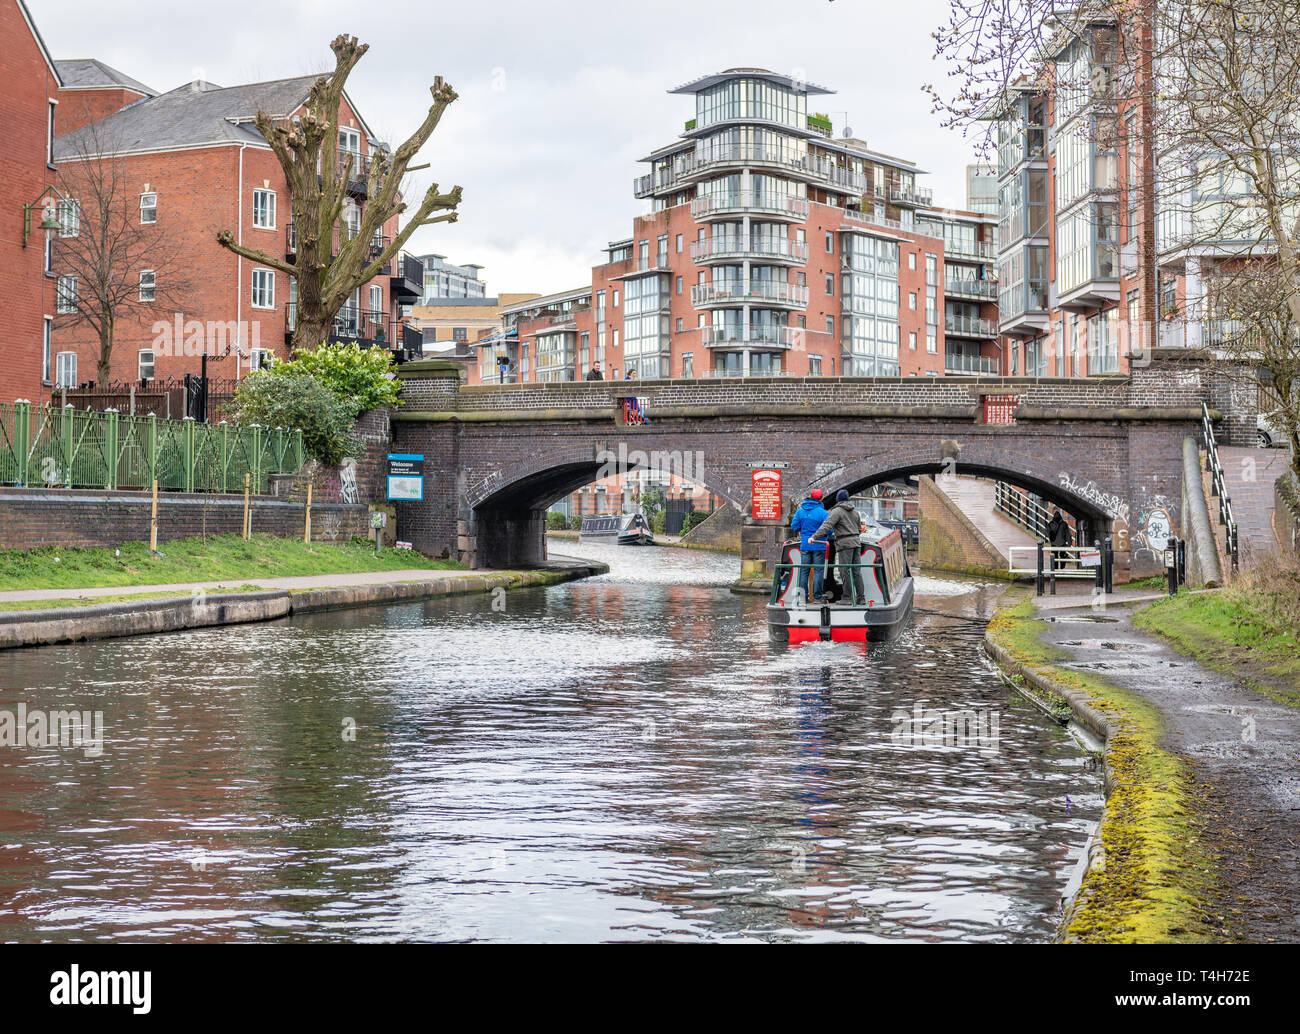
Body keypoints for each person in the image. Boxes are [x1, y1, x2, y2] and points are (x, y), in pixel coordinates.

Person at [811, 490, 865, 605]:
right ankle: (861, 598)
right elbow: (859, 529)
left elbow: (827, 525)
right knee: (856, 572)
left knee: (844, 571)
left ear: (838, 500)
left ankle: (846, 598)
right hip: (856, 543)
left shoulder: (837, 511)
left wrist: (814, 537)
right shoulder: (855, 512)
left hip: (845, 544)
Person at [790, 489, 830, 603]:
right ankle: (817, 598)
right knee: (818, 571)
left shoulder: (800, 511)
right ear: (821, 499)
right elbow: (829, 529)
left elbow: (794, 526)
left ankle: (803, 598)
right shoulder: (823, 513)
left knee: (804, 571)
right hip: (819, 545)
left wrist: (803, 531)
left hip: (805, 545)